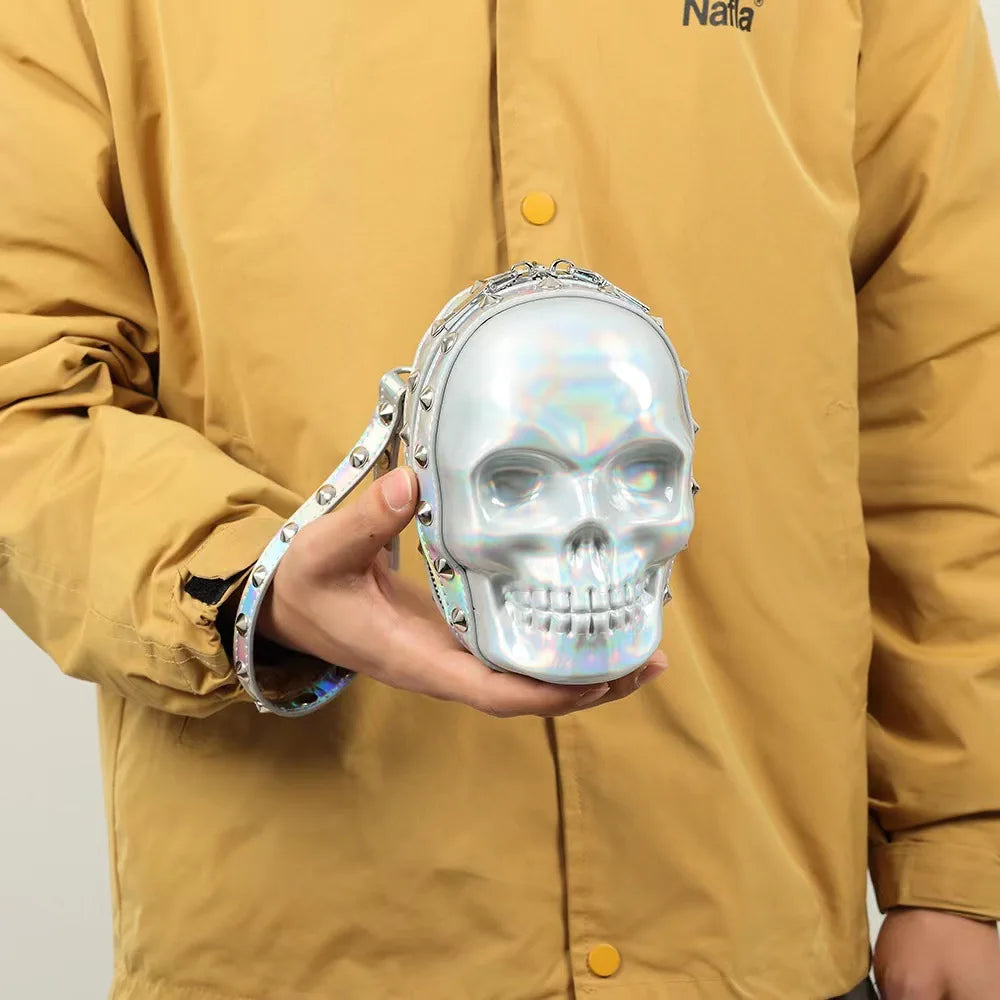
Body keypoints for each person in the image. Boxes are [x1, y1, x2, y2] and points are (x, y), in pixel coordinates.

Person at [1, 1, 998, 997]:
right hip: (302, 937)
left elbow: (943, 373)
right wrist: (251, 583)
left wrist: (956, 853)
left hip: (754, 912)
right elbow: (25, 390)